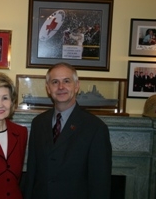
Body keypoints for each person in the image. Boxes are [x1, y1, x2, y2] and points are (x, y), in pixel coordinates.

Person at [22, 62, 112, 199]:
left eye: (67, 81)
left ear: (76, 86)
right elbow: (32, 173)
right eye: (55, 82)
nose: (61, 87)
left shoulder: (96, 128)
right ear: (48, 88)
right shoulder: (38, 123)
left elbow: (100, 183)